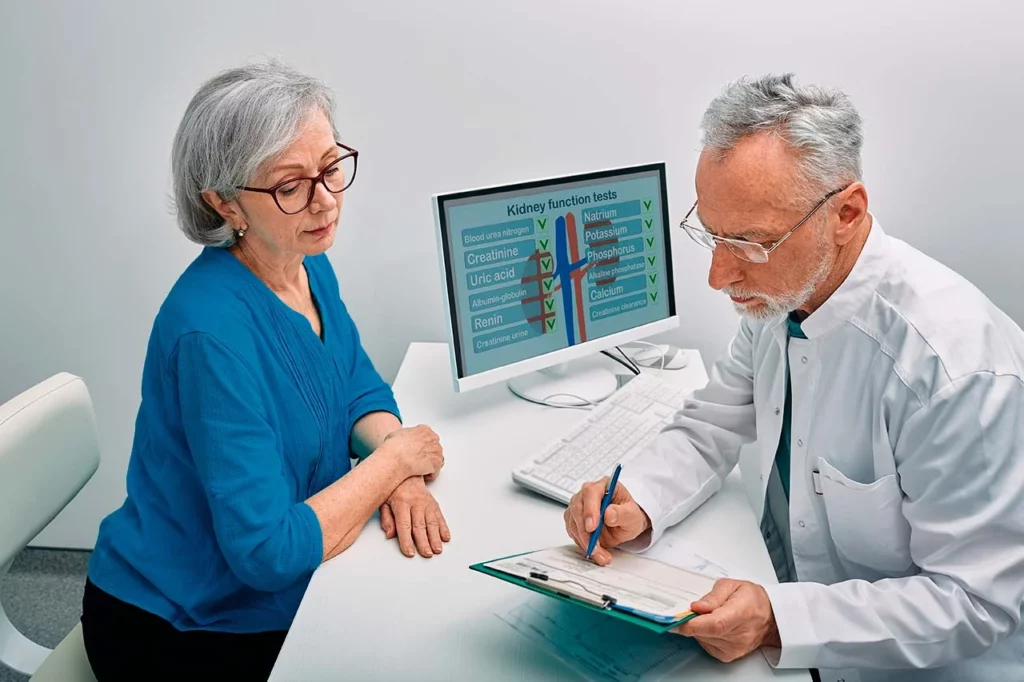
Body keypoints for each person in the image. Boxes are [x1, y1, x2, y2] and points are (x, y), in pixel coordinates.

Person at [564, 73, 1024, 681]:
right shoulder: (783, 299)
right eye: (711, 233)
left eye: (750, 243)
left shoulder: (955, 369)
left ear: (847, 212)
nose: (718, 275)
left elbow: (975, 602)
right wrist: (639, 498)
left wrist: (781, 619)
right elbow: (714, 422)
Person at [82, 59, 451, 681]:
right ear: (223, 202)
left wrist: (401, 475)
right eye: (291, 185)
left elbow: (356, 386)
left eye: (331, 168)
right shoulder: (210, 334)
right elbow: (267, 552)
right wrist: (393, 462)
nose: (325, 199)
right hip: (184, 621)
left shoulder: (304, 261)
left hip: (283, 577)